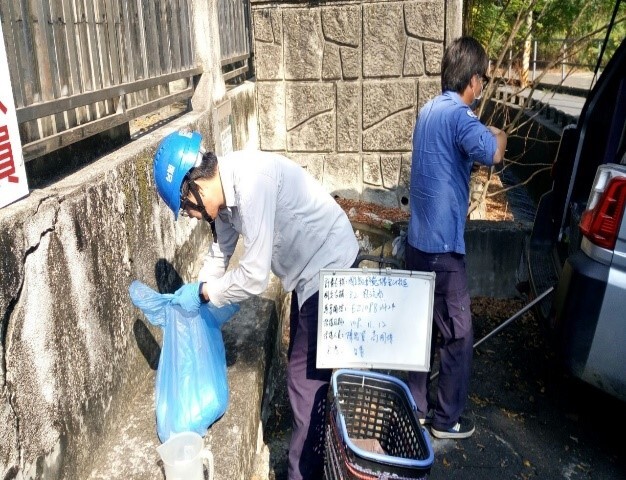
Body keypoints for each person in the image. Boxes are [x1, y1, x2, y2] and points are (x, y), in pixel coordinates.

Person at [152, 129, 359, 480]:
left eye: (185, 208)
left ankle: (304, 473)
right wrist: (195, 291)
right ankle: (325, 454)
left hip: (329, 267)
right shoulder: (226, 196)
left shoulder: (250, 184)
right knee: (313, 372)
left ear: (194, 188)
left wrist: (206, 294)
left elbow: (254, 276)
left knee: (303, 379)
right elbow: (221, 252)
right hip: (310, 272)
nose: (190, 216)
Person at [406, 36, 507, 439]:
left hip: (416, 243)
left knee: (420, 329)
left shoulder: (428, 110)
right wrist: (498, 134)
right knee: (458, 334)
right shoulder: (462, 117)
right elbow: (493, 154)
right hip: (444, 249)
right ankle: (446, 419)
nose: (481, 86)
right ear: (475, 80)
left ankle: (414, 407)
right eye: (481, 78)